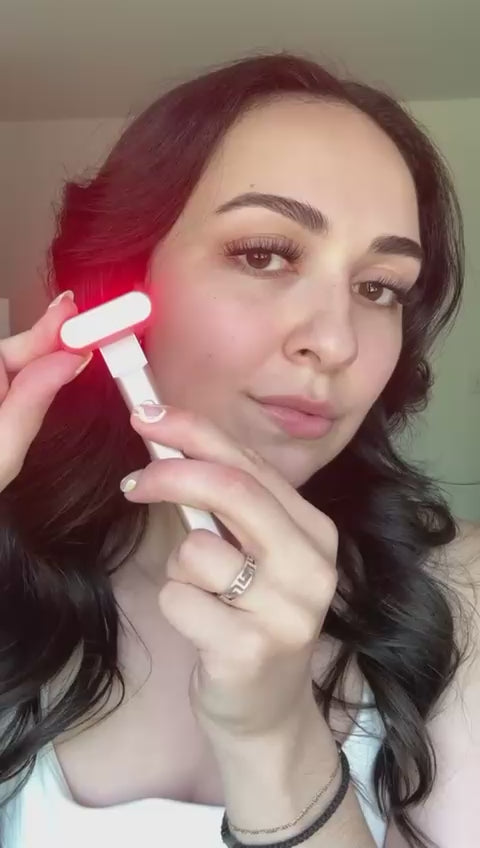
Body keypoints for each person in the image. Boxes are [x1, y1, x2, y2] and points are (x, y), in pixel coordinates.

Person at [0, 51, 478, 848]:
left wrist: (276, 738)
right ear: (119, 281)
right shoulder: (16, 571)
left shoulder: (460, 598)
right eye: (265, 254)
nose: (335, 342)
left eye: (379, 288)